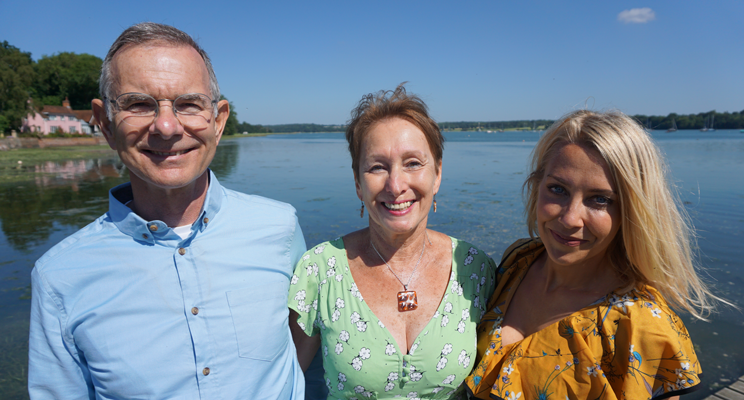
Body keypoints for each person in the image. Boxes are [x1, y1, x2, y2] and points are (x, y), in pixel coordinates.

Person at [28, 23, 307, 399]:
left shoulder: (279, 227)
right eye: (138, 104)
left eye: (189, 104)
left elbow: (304, 338)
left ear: (218, 121)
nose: (166, 126)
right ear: (105, 123)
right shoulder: (59, 278)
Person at [465, 110, 722, 399]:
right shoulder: (518, 262)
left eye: (600, 199)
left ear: (631, 211)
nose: (570, 218)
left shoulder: (639, 324)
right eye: (557, 189)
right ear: (537, 186)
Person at [288, 84, 497, 399]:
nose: (396, 185)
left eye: (413, 163)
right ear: (358, 183)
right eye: (377, 167)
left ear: (437, 174)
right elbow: (285, 382)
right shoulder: (320, 270)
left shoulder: (475, 269)